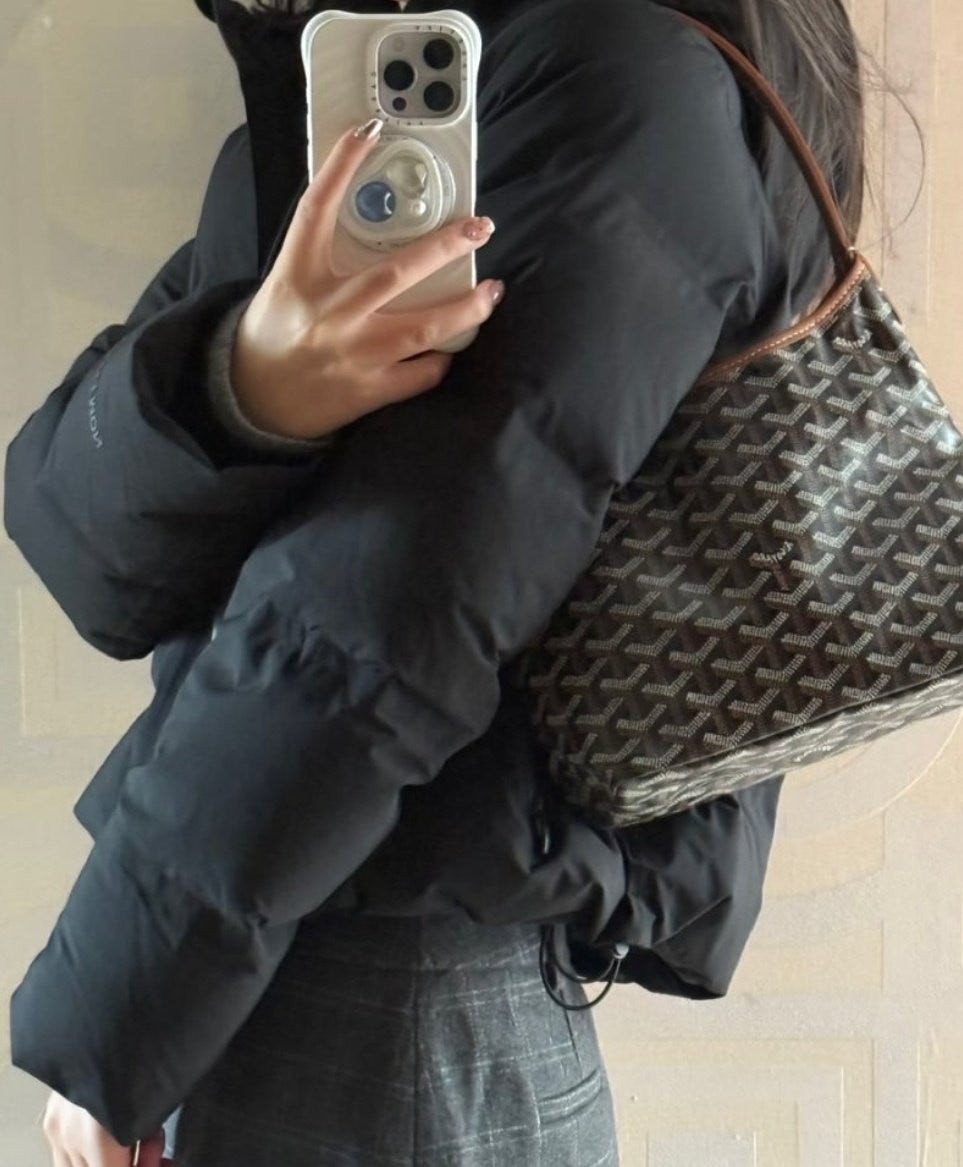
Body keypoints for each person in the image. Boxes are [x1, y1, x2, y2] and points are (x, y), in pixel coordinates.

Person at [5, 0, 869, 1164]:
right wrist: (240, 389)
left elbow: (380, 616)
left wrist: (121, 1027)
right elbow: (81, 543)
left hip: (383, 1008)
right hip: (297, 953)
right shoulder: (408, 75)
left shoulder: (613, 80)